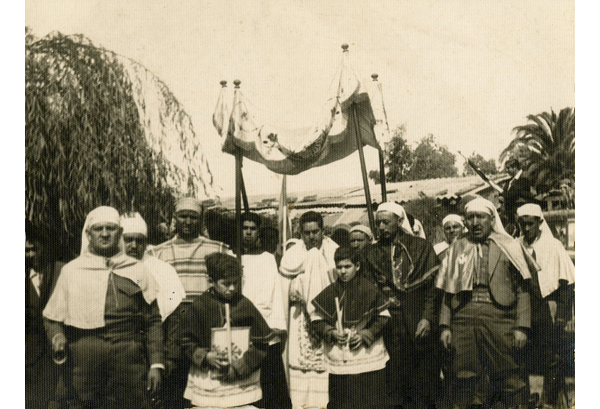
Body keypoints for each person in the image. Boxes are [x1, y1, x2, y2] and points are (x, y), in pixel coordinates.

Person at [43, 206, 163, 409]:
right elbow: (52, 318)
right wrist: (57, 336)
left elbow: (153, 320)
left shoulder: (138, 269)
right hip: (84, 362)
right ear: (88, 234)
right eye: (99, 229)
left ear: (120, 233)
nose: (105, 234)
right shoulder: (71, 271)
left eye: (111, 228)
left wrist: (156, 364)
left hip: (128, 359)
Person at [436, 198, 537, 409]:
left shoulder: (509, 245)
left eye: (480, 217)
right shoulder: (457, 248)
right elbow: (447, 291)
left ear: (491, 219)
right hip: (463, 320)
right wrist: (445, 326)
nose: (475, 222)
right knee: (464, 379)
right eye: (470, 217)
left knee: (509, 377)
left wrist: (522, 327)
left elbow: (523, 289)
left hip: (500, 319)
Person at [149, 196, 233, 409]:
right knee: (173, 383)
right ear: (175, 218)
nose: (187, 221)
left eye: (193, 217)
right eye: (183, 216)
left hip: (205, 325)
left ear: (201, 219)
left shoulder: (218, 249)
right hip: (170, 328)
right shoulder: (157, 252)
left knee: (205, 385)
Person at [362, 202, 442, 409]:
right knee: (395, 380)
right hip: (388, 323)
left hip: (417, 319)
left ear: (399, 221)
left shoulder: (421, 247)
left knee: (423, 380)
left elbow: (432, 288)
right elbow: (368, 288)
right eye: (378, 223)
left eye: (386, 222)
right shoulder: (370, 253)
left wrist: (426, 318)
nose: (381, 227)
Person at [179, 253, 275, 408]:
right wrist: (205, 356)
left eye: (235, 283)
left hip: (241, 384)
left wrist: (240, 367)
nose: (232, 288)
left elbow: (261, 342)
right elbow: (186, 340)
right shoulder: (199, 306)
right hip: (209, 381)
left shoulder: (244, 305)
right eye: (226, 283)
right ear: (211, 281)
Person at [311, 247, 392, 409]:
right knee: (342, 400)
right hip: (340, 355)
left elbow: (384, 317)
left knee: (367, 400)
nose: (343, 271)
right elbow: (316, 319)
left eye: (347, 267)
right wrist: (331, 332)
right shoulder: (330, 291)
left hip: (367, 354)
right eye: (339, 267)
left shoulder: (369, 289)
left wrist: (366, 334)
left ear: (357, 266)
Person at [516, 204, 575, 408]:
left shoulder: (554, 246)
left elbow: (567, 282)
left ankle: (548, 401)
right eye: (522, 224)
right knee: (520, 355)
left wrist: (563, 316)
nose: (526, 228)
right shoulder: (516, 245)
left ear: (540, 223)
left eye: (530, 224)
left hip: (546, 308)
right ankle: (525, 399)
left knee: (551, 357)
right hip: (522, 307)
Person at [279, 211, 339, 409]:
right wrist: (294, 291)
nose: (312, 237)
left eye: (315, 232)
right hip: (299, 320)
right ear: (301, 234)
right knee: (300, 372)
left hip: (329, 318)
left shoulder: (334, 253)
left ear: (323, 231)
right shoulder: (292, 256)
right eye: (307, 233)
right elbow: (282, 288)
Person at [240, 212, 292, 409]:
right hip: (242, 326)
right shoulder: (232, 256)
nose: (248, 233)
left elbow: (276, 292)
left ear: (258, 233)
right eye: (245, 228)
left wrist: (276, 325)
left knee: (271, 380)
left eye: (252, 229)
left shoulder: (267, 258)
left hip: (266, 324)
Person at [26, 222, 64, 409]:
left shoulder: (63, 272)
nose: (30, 255)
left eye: (34, 249)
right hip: (29, 364)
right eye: (26, 251)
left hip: (60, 360)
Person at [501, 158, 536, 231]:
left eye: (508, 168)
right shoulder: (512, 180)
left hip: (520, 215)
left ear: (515, 168)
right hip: (511, 215)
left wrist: (503, 194)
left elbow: (513, 193)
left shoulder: (524, 178)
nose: (506, 170)